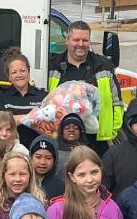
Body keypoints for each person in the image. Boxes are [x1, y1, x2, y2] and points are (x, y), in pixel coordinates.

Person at [48, 21, 124, 153]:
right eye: (76, 40)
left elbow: (117, 103)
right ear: (67, 40)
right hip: (61, 138)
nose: (81, 44)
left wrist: (111, 133)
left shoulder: (103, 66)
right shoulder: (52, 66)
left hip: (97, 140)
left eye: (85, 40)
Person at [0, 48, 48, 147]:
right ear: (9, 77)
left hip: (37, 151)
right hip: (6, 149)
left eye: (22, 71)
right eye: (14, 72)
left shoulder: (43, 96)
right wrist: (27, 117)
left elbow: (51, 126)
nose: (19, 75)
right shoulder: (0, 95)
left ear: (29, 72)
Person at [0, 151, 47, 219]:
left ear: (30, 175)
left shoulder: (40, 202)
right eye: (12, 174)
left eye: (23, 174)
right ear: (3, 176)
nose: (18, 179)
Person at [29, 135, 65, 201]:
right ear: (31, 157)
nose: (43, 162)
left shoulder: (60, 187)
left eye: (48, 158)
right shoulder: (25, 182)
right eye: (38, 157)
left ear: (55, 160)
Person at [56, 112, 87, 178]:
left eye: (76, 128)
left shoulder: (87, 152)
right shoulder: (54, 152)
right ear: (61, 132)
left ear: (81, 132)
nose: (71, 130)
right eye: (67, 128)